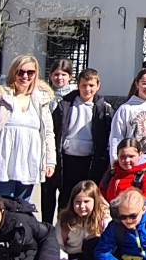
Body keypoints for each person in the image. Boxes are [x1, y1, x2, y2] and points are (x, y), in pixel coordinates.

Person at [0, 56, 58, 209]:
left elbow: (48, 133)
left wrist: (50, 161)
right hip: (1, 164)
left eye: (30, 72)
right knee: (1, 208)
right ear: (13, 72)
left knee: (22, 209)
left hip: (28, 162)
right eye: (20, 72)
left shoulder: (41, 99)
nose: (25, 76)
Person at [49, 68, 114, 218]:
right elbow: (55, 130)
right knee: (66, 197)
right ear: (78, 85)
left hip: (90, 161)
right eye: (84, 85)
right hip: (68, 158)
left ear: (98, 86)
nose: (87, 89)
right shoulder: (64, 105)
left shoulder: (104, 108)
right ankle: (64, 228)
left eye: (91, 85)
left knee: (87, 197)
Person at [56, 180, 108, 260]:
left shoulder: (103, 218)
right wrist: (62, 257)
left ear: (95, 201)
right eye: (78, 202)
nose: (82, 206)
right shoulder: (65, 220)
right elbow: (57, 244)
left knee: (93, 243)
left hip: (94, 257)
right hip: (73, 257)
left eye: (86, 201)